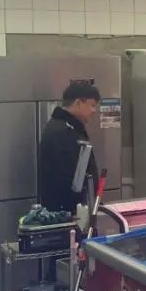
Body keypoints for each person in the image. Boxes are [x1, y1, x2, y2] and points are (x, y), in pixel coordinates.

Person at [38, 80, 101, 213]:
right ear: (78, 103)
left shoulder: (68, 127)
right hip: (67, 213)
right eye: (92, 105)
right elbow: (69, 180)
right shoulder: (62, 132)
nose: (94, 111)